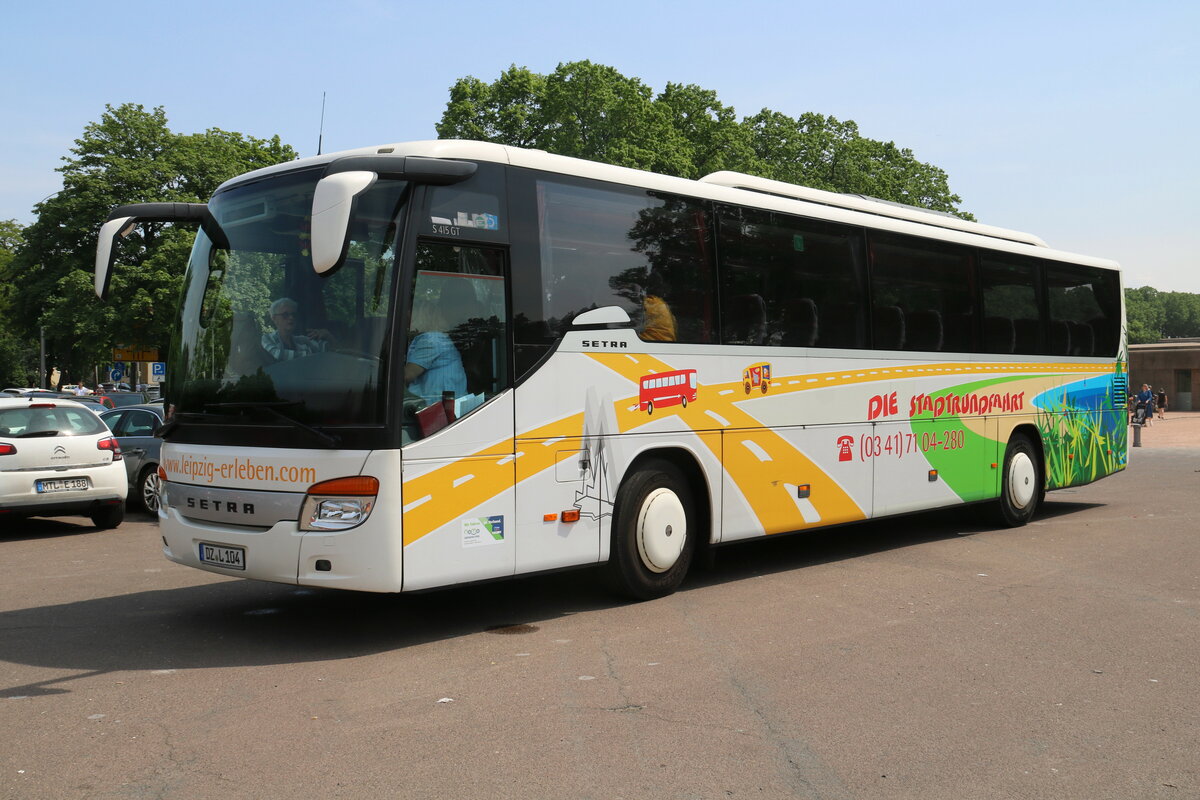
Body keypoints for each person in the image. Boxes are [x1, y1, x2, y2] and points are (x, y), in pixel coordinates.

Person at [405, 302, 466, 406]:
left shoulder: (431, 340)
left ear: (421, 317)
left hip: (439, 408)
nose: (408, 321)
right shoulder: (439, 338)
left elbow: (407, 375)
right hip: (449, 405)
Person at [261, 297, 333, 361]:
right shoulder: (267, 338)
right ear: (274, 318)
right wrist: (311, 355)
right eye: (285, 315)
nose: (291, 318)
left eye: (294, 315)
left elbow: (330, 351)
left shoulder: (303, 340)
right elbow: (278, 355)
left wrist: (328, 336)